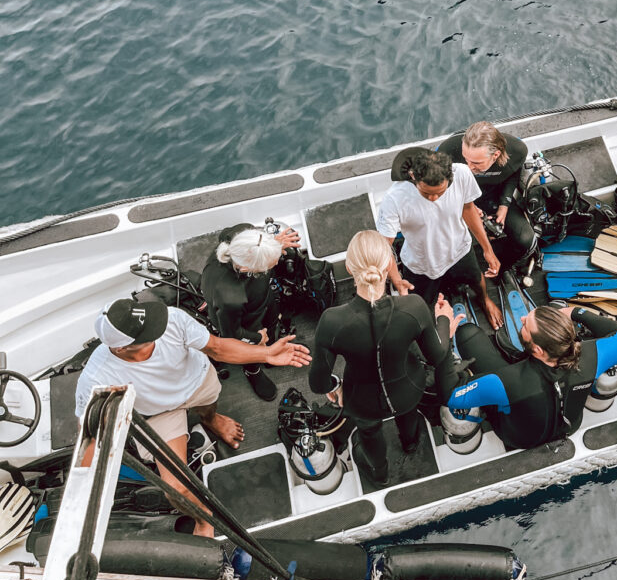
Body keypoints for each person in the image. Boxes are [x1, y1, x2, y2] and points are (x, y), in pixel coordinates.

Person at [75, 291, 310, 535]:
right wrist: (85, 497)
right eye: (147, 334)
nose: (159, 327)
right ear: (122, 348)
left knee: (209, 405)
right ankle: (203, 519)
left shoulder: (172, 320)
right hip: (159, 413)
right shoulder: (96, 378)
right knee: (175, 488)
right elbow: (91, 437)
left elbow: (217, 348)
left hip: (197, 380)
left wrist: (267, 353)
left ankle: (210, 419)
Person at [308, 230, 459, 486]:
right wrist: (444, 322)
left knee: (369, 432)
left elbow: (318, 384)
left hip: (361, 400)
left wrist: (336, 386)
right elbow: (437, 355)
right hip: (408, 389)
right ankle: (410, 443)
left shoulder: (332, 321)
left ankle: (380, 474)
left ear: (348, 267)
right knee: (407, 414)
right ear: (390, 264)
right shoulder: (413, 306)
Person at [446, 304, 617, 450]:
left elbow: (452, 397)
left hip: (519, 437)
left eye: (526, 325)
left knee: (467, 334)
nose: (521, 318)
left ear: (538, 349)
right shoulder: (591, 357)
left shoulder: (505, 381)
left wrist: (444, 337)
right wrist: (575, 312)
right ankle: (521, 351)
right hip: (569, 427)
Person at [376, 149, 503, 329]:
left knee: (476, 279)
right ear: (414, 177)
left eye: (440, 193)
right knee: (422, 303)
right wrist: (397, 281)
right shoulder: (394, 198)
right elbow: (384, 247)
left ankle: (485, 301)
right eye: (427, 194)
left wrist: (488, 250)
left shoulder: (462, 173)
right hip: (421, 263)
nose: (434, 199)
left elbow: (468, 209)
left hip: (460, 248)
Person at [201, 223, 301, 401]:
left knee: (271, 325)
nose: (277, 262)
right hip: (243, 322)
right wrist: (257, 339)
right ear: (247, 269)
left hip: (263, 300)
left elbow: (232, 233)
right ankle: (252, 370)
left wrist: (274, 244)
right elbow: (231, 334)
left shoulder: (240, 233)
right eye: (271, 262)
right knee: (255, 345)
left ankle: (273, 348)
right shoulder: (228, 295)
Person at [439, 121, 535, 269]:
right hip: (459, 199)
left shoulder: (517, 150)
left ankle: (502, 267)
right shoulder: (448, 150)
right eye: (465, 159)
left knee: (525, 239)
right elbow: (439, 188)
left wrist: (504, 205)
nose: (469, 168)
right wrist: (467, 207)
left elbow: (513, 173)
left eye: (476, 163)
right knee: (444, 245)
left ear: (495, 155)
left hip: (493, 195)